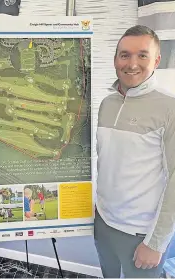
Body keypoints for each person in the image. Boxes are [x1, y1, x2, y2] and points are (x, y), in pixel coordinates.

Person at [95, 25, 175, 278]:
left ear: (157, 60)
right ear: (115, 59)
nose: (132, 63)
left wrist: (155, 243)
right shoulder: (107, 103)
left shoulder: (169, 107)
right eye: (124, 55)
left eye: (142, 55)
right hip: (103, 222)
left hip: (141, 233)